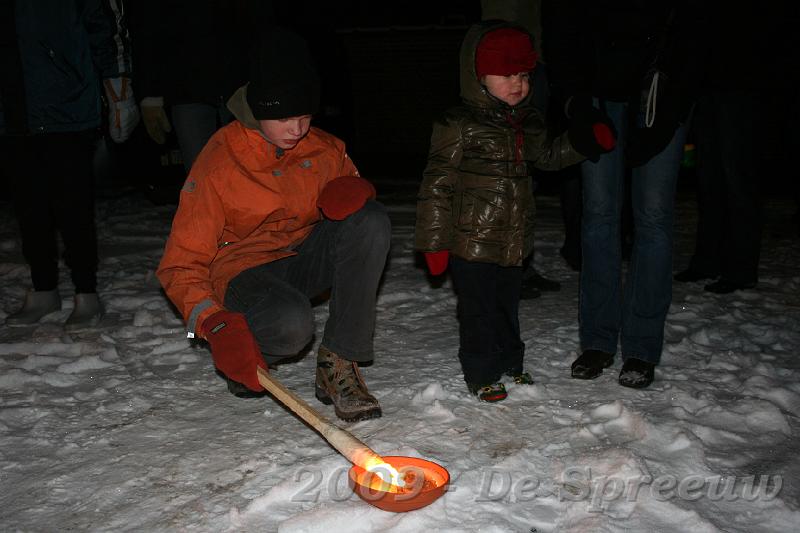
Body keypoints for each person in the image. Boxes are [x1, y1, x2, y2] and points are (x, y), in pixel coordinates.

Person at [156, 28, 390, 422]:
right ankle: (248, 354)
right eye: (284, 117)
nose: (297, 129)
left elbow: (350, 200)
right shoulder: (221, 160)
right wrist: (212, 323)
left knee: (370, 220)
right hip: (242, 271)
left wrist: (355, 189)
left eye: (305, 116)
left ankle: (339, 363)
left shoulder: (324, 148)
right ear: (257, 108)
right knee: (291, 325)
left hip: (298, 256)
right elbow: (180, 263)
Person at [415, 21, 614, 402]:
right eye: (506, 74)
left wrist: (582, 142)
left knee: (507, 306)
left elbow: (549, 157)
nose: (517, 83)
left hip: (512, 241)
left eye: (523, 74)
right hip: (468, 241)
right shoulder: (457, 123)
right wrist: (434, 242)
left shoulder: (529, 122)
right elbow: (436, 184)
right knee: (478, 310)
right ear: (478, 76)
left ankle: (510, 362)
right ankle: (481, 372)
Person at [544, 0, 708, 388]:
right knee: (599, 213)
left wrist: (667, 118)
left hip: (661, 92)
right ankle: (598, 341)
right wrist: (576, 103)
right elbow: (560, 29)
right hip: (598, 94)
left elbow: (697, 32)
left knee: (653, 217)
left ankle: (642, 347)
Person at [1, 0, 138, 329]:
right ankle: (43, 287)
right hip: (13, 109)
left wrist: (118, 87)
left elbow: (105, 25)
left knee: (73, 204)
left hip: (65, 103)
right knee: (29, 206)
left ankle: (85, 291)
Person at [673, 9, 772, 294]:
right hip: (707, 86)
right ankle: (708, 260)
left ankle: (740, 268)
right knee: (709, 180)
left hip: (741, 86)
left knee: (737, 179)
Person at [130, 1, 272, 175]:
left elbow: (265, 22)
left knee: (255, 169)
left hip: (242, 85)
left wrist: (270, 78)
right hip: (187, 87)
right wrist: (150, 93)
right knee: (199, 175)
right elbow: (148, 26)